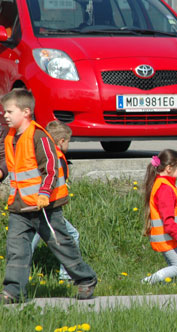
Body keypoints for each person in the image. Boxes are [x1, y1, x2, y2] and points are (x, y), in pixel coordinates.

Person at [0, 89, 96, 304]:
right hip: (20, 206)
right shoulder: (10, 137)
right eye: (4, 111)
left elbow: (51, 169)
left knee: (61, 245)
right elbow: (10, 164)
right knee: (16, 250)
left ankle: (85, 280)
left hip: (45, 206)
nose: (5, 115)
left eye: (9, 111)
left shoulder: (39, 136)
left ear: (26, 112)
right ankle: (13, 292)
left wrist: (44, 193)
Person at [30, 120, 80, 280]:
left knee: (31, 239)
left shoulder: (41, 152)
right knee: (71, 235)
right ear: (62, 141)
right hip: (48, 207)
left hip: (35, 203)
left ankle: (18, 274)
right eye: (69, 142)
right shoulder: (57, 158)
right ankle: (67, 276)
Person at [141, 149, 177, 284]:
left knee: (174, 265)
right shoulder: (165, 189)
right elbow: (168, 221)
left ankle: (162, 285)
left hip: (170, 237)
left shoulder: (164, 184)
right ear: (169, 168)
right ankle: (147, 282)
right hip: (169, 237)